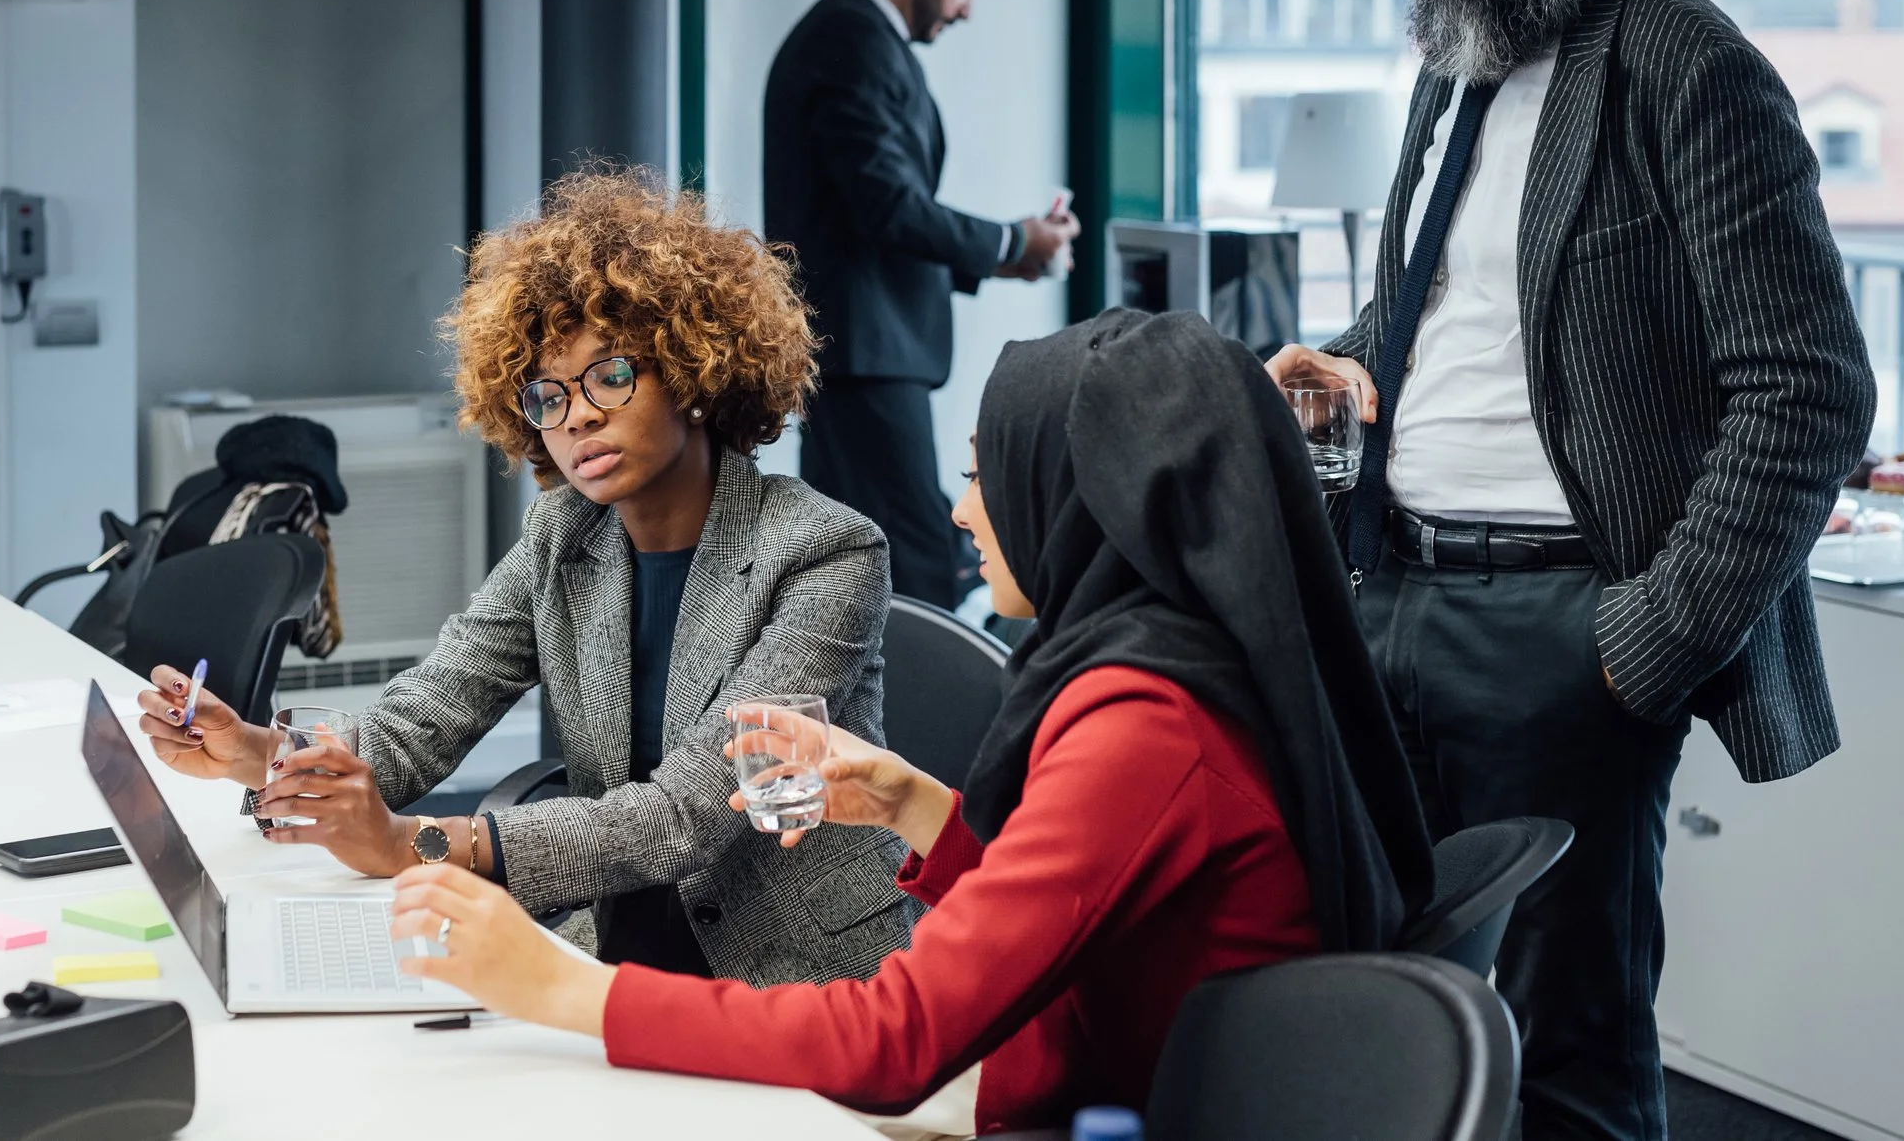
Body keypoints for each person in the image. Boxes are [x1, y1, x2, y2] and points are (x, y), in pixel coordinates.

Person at [383, 311, 1434, 1136]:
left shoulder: (1140, 725)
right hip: (1084, 1072)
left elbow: (899, 1036)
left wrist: (560, 985)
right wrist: (911, 799)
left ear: (1071, 495)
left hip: (1083, 1103)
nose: (963, 510)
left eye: (986, 472)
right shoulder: (1172, 661)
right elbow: (1090, 901)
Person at [1264, 0, 1876, 1141]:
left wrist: (1642, 640)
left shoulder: (1687, 65)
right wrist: (1349, 364)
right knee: (1381, 1016)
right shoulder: (1461, 44)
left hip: (1562, 628)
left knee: (1565, 1058)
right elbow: (1454, 317)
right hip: (1389, 600)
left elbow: (1813, 390)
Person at [137, 171, 913, 984]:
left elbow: (684, 818)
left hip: (797, 972)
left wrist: (414, 842)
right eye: (548, 394)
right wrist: (259, 752)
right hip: (620, 943)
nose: (577, 415)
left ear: (691, 371)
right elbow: (428, 712)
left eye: (612, 376)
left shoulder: (825, 550)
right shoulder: (565, 531)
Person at [764, 0, 1080, 609]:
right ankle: (919, 724)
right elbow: (888, 206)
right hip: (865, 361)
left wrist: (1012, 252)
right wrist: (1010, 237)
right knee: (917, 567)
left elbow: (872, 216)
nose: (967, 5)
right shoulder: (850, 41)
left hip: (864, 356)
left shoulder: (855, 38)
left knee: (878, 562)